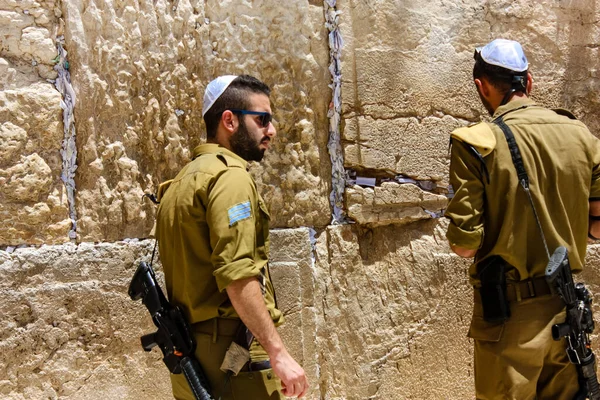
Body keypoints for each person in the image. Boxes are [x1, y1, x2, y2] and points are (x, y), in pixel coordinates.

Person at [444, 38, 600, 399]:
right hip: (567, 314)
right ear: (529, 82)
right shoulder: (583, 137)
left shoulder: (476, 143)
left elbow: (464, 246)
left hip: (509, 319)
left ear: (481, 87)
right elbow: (596, 228)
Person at [155, 75, 309, 399]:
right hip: (232, 353)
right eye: (262, 119)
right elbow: (238, 275)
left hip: (191, 357)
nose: (272, 130)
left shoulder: (181, 182)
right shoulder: (230, 178)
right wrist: (277, 351)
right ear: (229, 120)